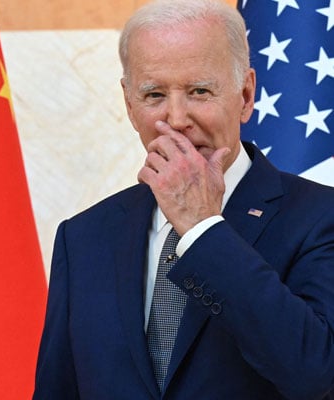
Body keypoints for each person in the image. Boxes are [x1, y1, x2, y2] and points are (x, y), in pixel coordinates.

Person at [33, 0, 334, 398]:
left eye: (199, 91)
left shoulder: (320, 217)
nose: (176, 119)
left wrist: (202, 229)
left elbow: (317, 373)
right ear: (129, 104)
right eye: (154, 94)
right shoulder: (84, 237)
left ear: (245, 96)